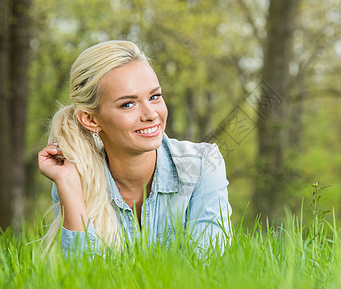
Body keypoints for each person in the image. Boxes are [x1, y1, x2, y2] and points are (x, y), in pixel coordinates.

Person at [38, 40, 231, 255]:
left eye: (154, 97)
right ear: (91, 119)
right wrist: (67, 183)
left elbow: (209, 266)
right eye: (128, 104)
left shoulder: (202, 165)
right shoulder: (74, 177)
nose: (151, 114)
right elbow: (82, 279)